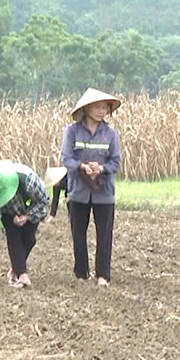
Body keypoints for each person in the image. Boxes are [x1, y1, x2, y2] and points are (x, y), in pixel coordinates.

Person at [61, 88, 122, 286]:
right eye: (97, 107)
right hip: (78, 191)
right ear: (86, 108)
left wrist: (101, 168)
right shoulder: (72, 131)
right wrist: (82, 167)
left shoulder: (111, 134)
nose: (101, 111)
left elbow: (116, 162)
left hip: (104, 192)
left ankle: (103, 275)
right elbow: (66, 158)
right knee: (78, 233)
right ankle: (81, 273)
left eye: (104, 107)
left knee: (104, 235)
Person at [0, 162, 49, 288]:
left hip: (31, 208)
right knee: (14, 238)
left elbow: (44, 202)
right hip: (9, 214)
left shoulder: (29, 180)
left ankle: (15, 268)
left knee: (29, 240)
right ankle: (22, 275)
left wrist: (27, 216)